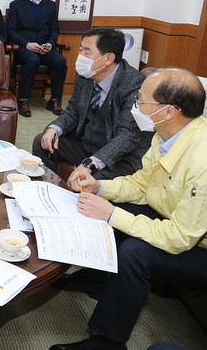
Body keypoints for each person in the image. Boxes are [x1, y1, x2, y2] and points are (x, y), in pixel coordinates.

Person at [50, 68, 207, 350]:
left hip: (196, 244)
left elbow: (181, 237)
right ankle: (100, 278)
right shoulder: (166, 135)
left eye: (141, 100)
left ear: (169, 111)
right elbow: (142, 184)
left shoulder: (202, 161)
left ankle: (107, 343)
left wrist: (111, 214)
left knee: (136, 252)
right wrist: (100, 187)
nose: (135, 106)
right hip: (174, 219)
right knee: (117, 206)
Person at [32, 28, 152, 181]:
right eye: (80, 50)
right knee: (41, 142)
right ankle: (50, 188)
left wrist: (93, 162)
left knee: (93, 180)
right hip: (87, 146)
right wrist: (53, 129)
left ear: (108, 58)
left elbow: (127, 135)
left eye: (86, 52)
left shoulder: (134, 85)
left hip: (120, 157)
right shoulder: (85, 74)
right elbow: (73, 111)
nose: (80, 56)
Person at [8, 0, 67, 117]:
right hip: (25, 48)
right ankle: (23, 99)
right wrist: (27, 44)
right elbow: (11, 31)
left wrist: (50, 44)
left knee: (60, 61)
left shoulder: (51, 5)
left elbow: (55, 29)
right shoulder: (16, 5)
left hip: (45, 47)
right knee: (32, 60)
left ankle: (54, 100)